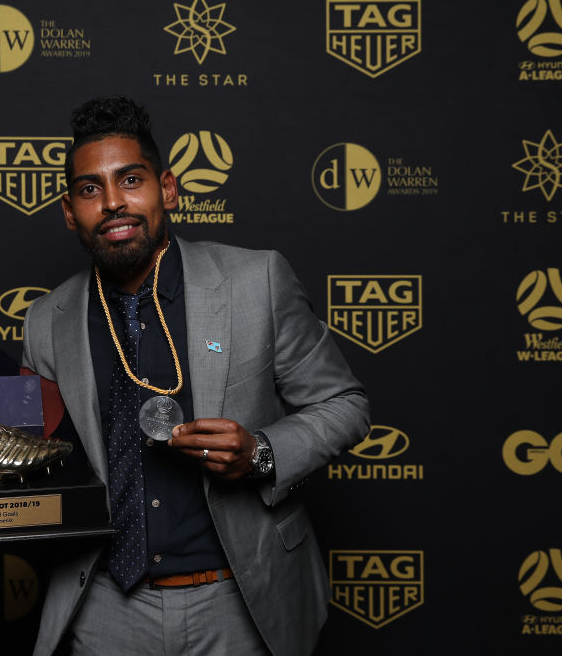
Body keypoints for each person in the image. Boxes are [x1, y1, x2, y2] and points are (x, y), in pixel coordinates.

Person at [18, 95, 369, 655]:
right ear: (69, 211)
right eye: (89, 190)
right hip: (106, 607)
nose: (113, 202)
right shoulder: (45, 321)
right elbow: (35, 464)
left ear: (168, 189)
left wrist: (261, 453)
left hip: (236, 600)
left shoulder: (257, 281)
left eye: (131, 180)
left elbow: (345, 404)